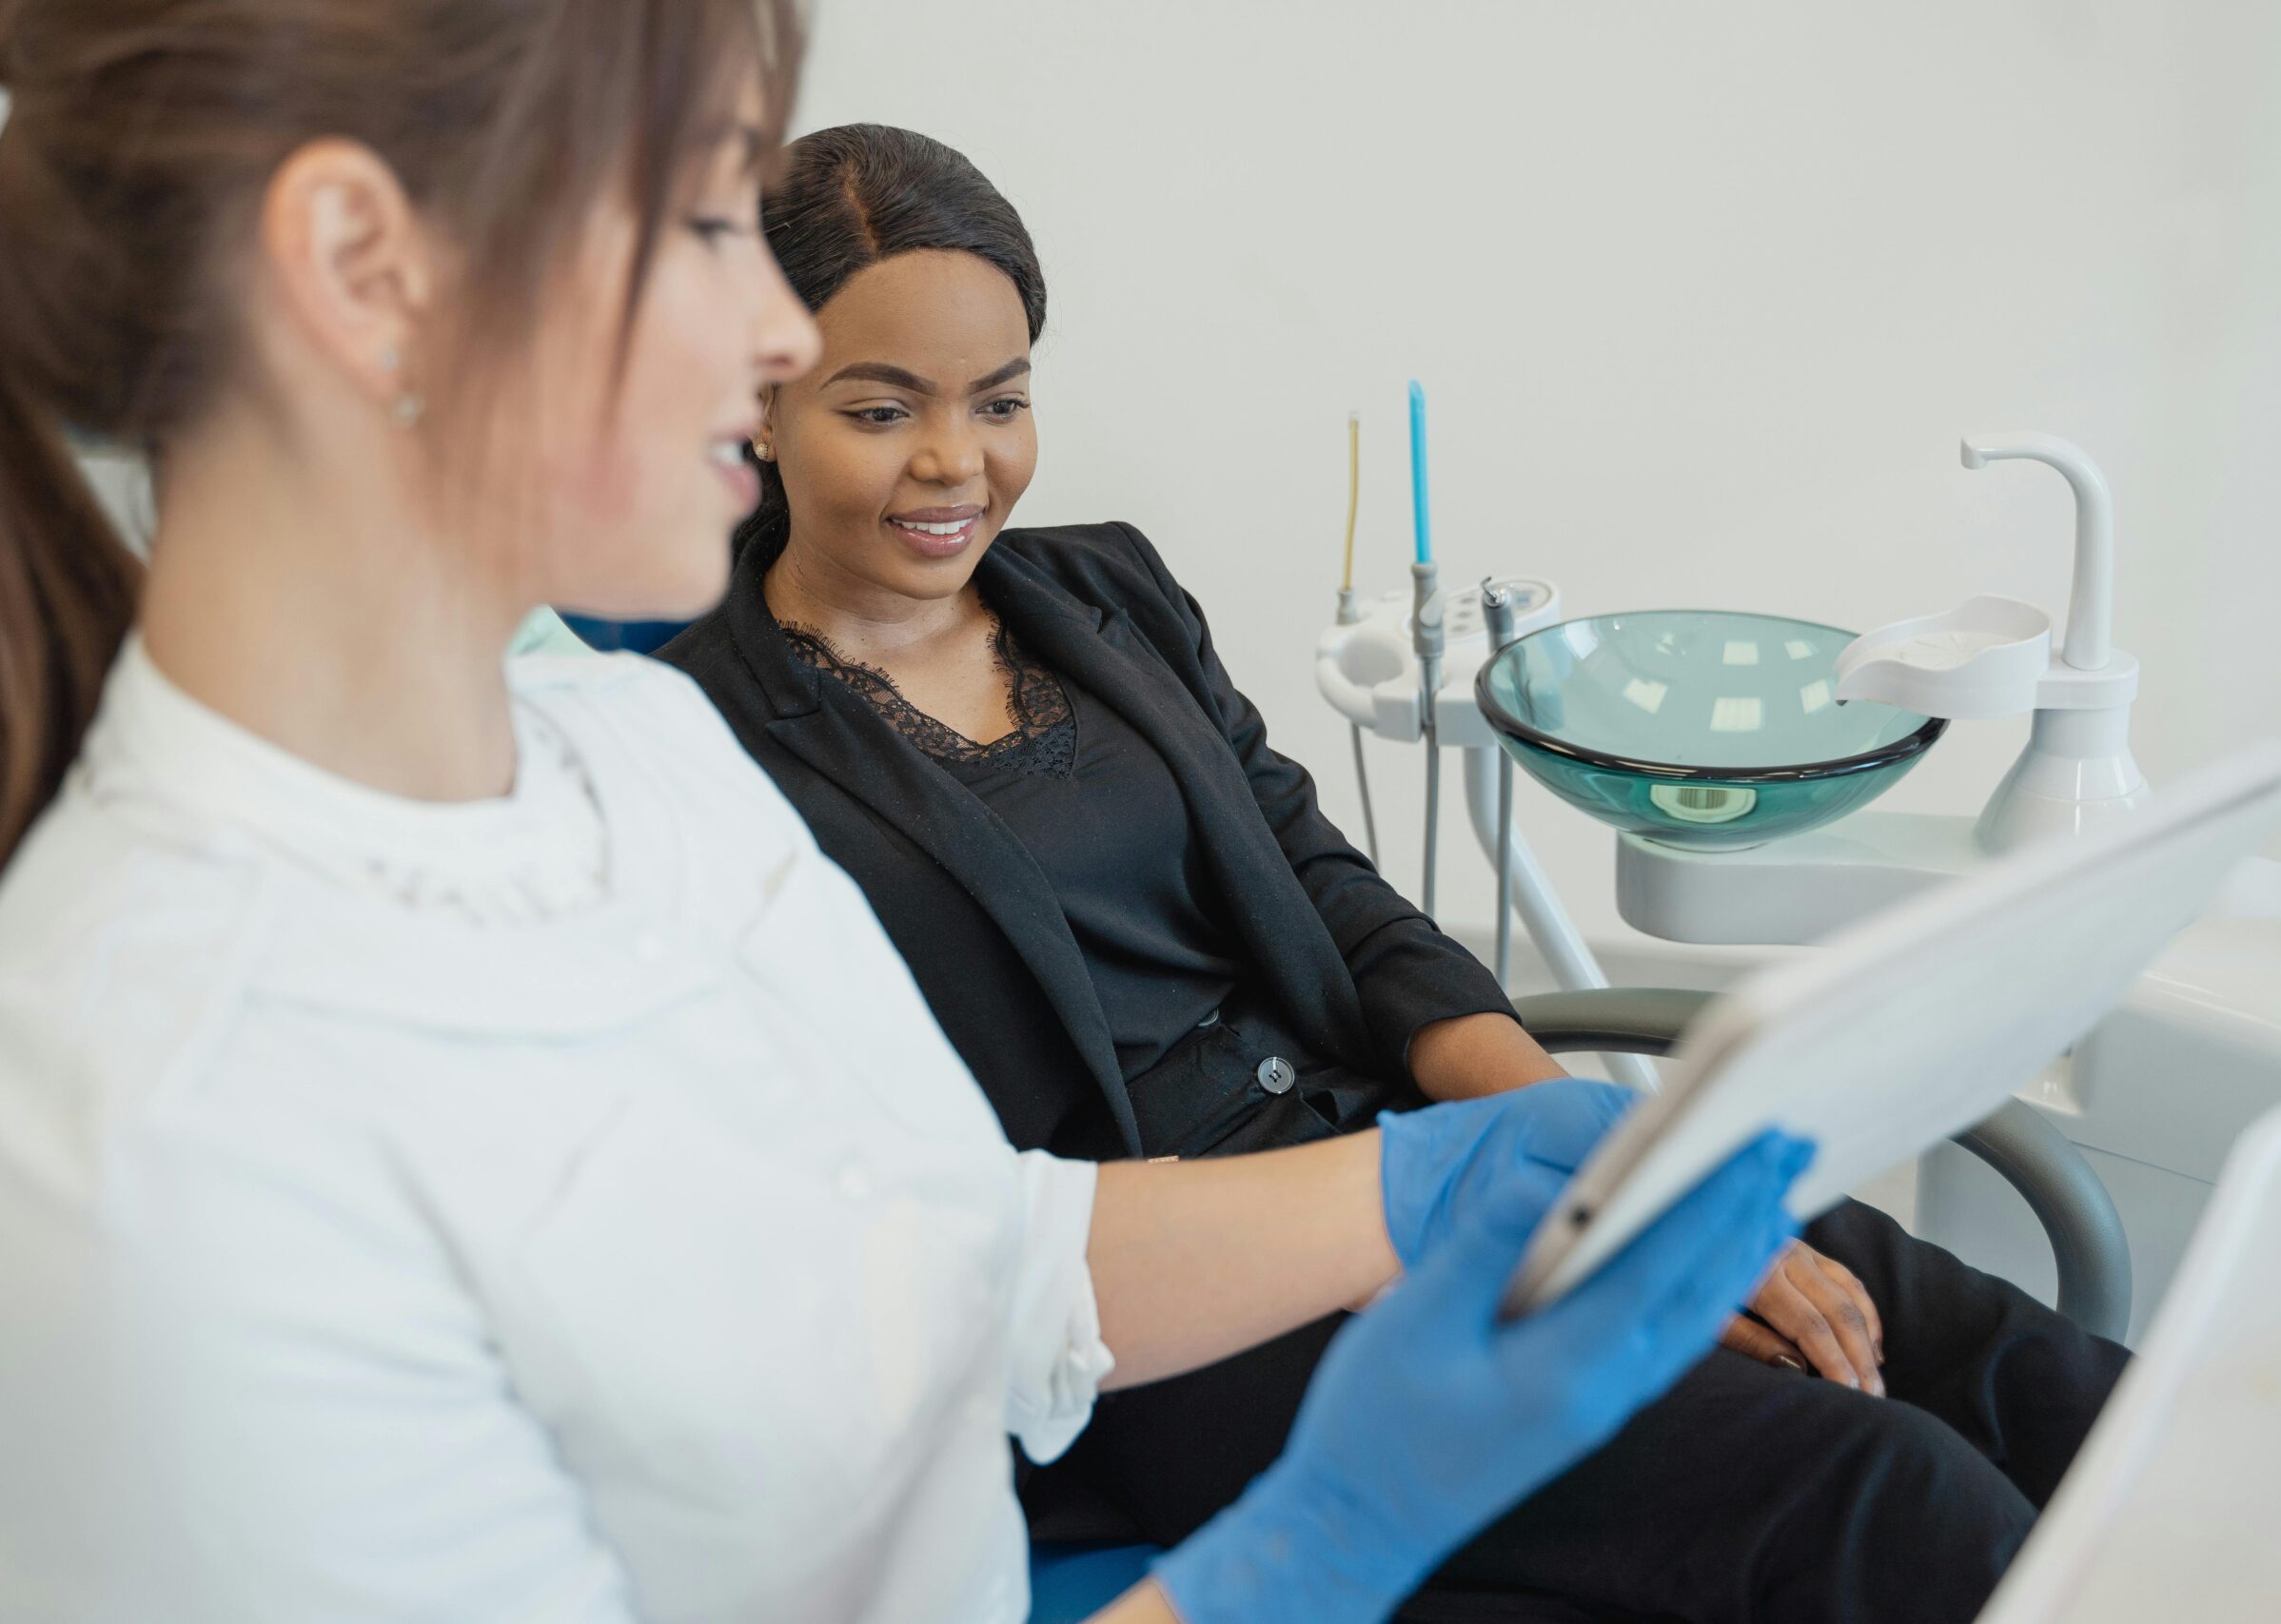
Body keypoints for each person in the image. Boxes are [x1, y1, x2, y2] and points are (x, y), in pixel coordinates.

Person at [0, 6, 1805, 1622]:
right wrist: (1319, 1546)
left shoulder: (634, 761)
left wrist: (1419, 1181)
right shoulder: (153, 1130)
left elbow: (954, 1256)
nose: (782, 338)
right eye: (708, 217)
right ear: (370, 272)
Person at [662, 123, 2134, 1624]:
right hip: (1179, 1307)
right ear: (759, 405)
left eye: (1001, 401)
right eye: (880, 406)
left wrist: (1572, 1148)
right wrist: (1387, 1236)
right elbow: (880, 1197)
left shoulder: (1105, 593)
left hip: (1420, 1143)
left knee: (2012, 1368)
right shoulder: (693, 752)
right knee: (1886, 1487)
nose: (954, 463)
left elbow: (1326, 885)